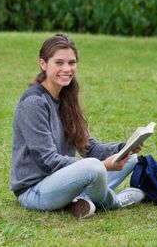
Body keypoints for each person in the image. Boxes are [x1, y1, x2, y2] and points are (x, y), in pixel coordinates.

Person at [10, 34, 145, 218]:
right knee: (94, 168)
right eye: (59, 62)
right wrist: (102, 166)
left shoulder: (66, 96)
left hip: (64, 182)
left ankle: (80, 200)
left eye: (71, 62)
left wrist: (123, 148)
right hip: (35, 191)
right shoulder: (33, 102)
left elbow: (87, 145)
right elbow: (48, 161)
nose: (67, 69)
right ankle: (114, 202)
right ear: (43, 64)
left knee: (131, 159)